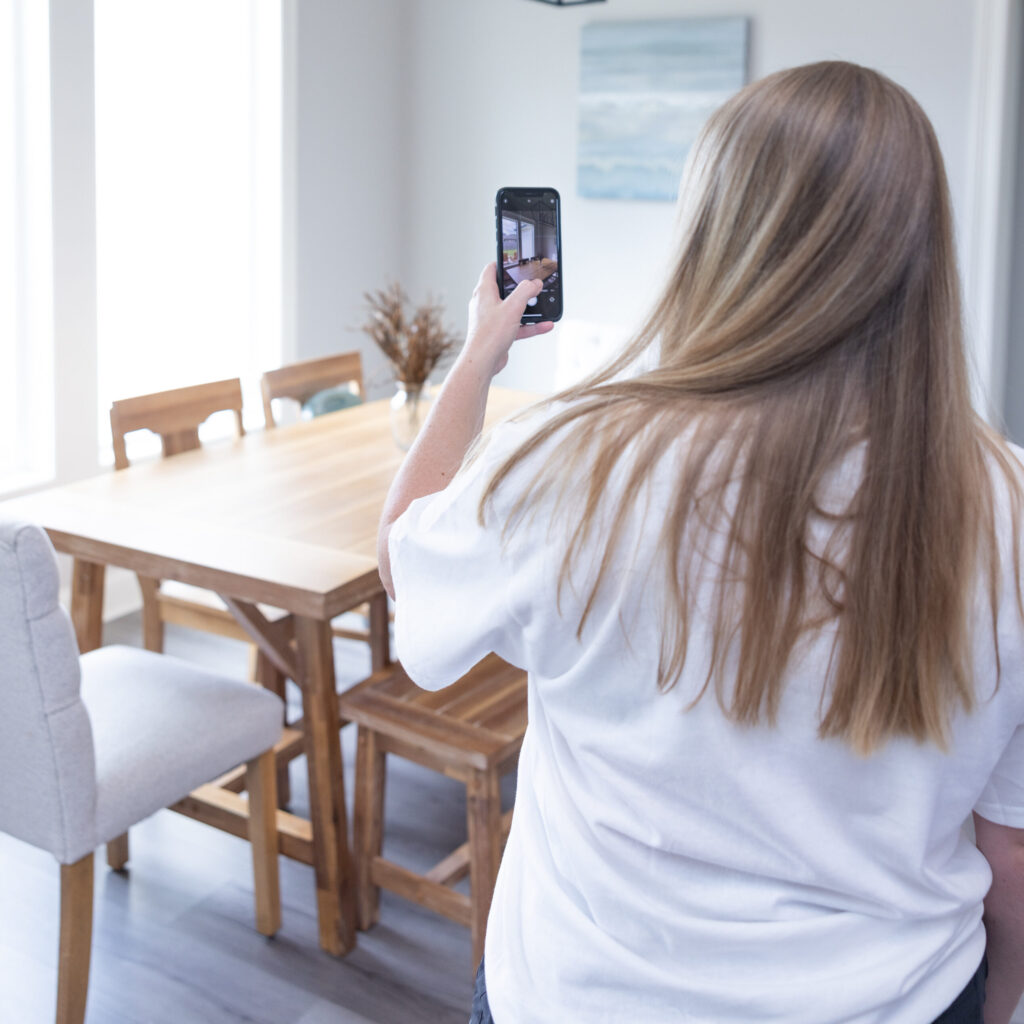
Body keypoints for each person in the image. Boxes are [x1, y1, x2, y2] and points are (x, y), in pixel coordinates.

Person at [377, 61, 1024, 1024]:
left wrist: (481, 353)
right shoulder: (1007, 508)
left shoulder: (572, 462)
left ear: (715, 235)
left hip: (589, 994)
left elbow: (405, 566)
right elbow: (1009, 846)